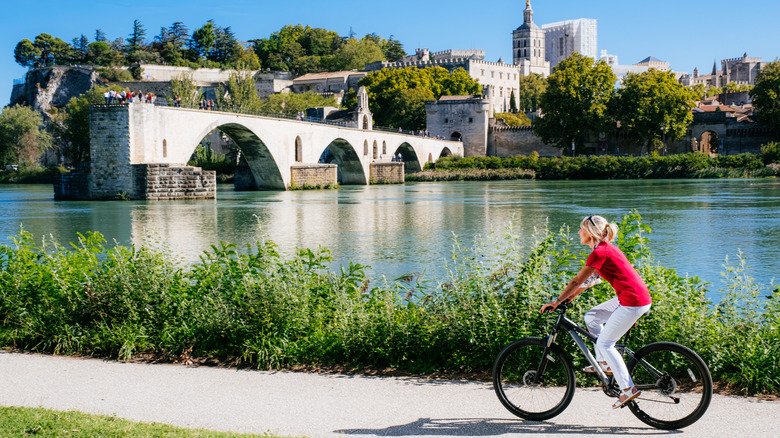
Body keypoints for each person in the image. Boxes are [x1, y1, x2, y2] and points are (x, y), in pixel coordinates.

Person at [540, 215, 652, 409]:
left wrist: (557, 301)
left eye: (581, 229)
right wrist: (570, 298)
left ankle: (628, 389)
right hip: (630, 297)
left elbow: (576, 281)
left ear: (590, 232)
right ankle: (604, 364)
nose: (578, 232)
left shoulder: (600, 252)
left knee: (606, 343)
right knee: (591, 316)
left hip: (633, 301)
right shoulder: (604, 250)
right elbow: (590, 280)